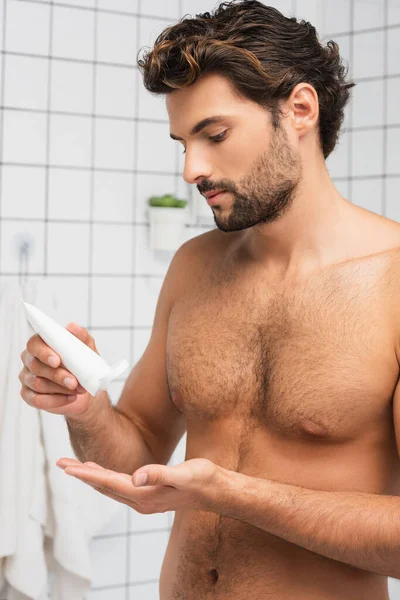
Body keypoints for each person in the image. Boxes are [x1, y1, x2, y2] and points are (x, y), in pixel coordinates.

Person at [19, 1, 400, 598]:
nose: (192, 168)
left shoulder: (394, 282)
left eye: (214, 135)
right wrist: (85, 408)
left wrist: (229, 493)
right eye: (182, 142)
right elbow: (139, 448)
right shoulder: (194, 266)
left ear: (300, 109)